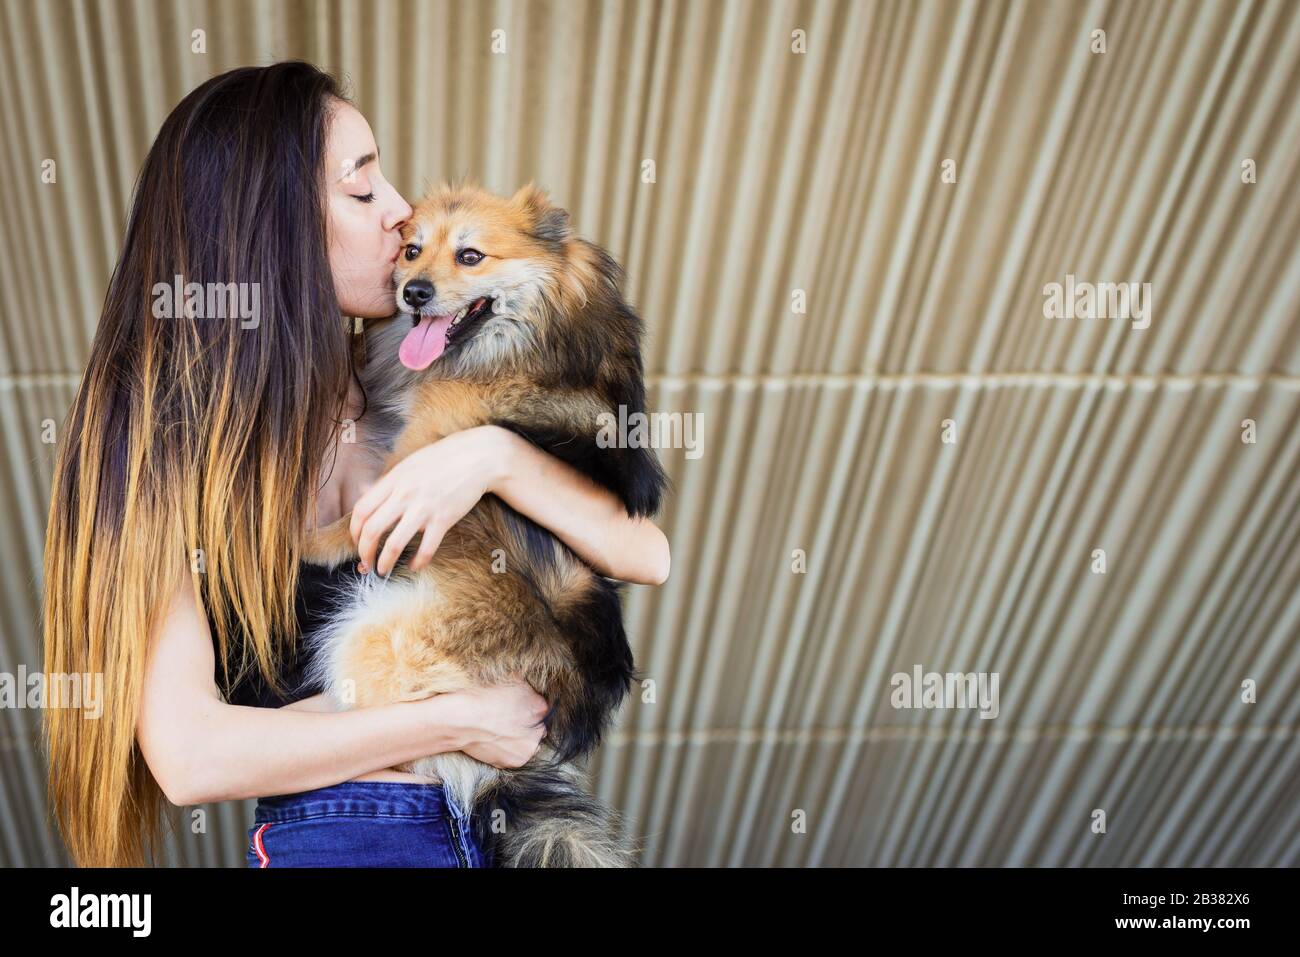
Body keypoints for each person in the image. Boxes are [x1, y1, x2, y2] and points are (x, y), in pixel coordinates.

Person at [40, 61, 670, 868]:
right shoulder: (162, 441)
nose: (402, 211)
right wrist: (457, 720)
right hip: (357, 831)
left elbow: (645, 552)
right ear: (277, 226)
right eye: (363, 189)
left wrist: (493, 457)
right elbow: (191, 754)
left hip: (506, 824)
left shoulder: (416, 382)